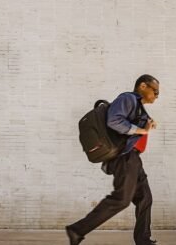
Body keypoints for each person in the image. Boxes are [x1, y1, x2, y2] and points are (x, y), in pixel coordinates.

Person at [66, 74, 160, 245]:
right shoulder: (128, 98)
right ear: (143, 86)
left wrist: (147, 125)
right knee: (121, 199)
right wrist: (142, 131)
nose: (157, 96)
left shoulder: (137, 107)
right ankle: (77, 229)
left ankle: (143, 240)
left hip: (133, 158)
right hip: (124, 158)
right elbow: (114, 120)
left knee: (145, 197)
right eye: (155, 91)